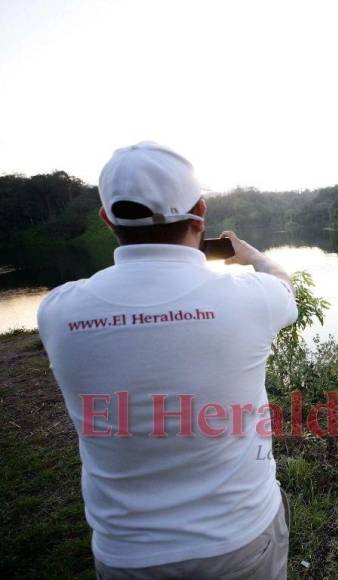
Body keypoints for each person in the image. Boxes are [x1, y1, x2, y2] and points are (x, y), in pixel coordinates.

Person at [37, 142, 297, 579]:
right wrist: (251, 256)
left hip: (127, 554)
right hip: (240, 540)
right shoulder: (251, 300)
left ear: (107, 219)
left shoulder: (58, 310)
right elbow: (284, 286)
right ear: (200, 211)